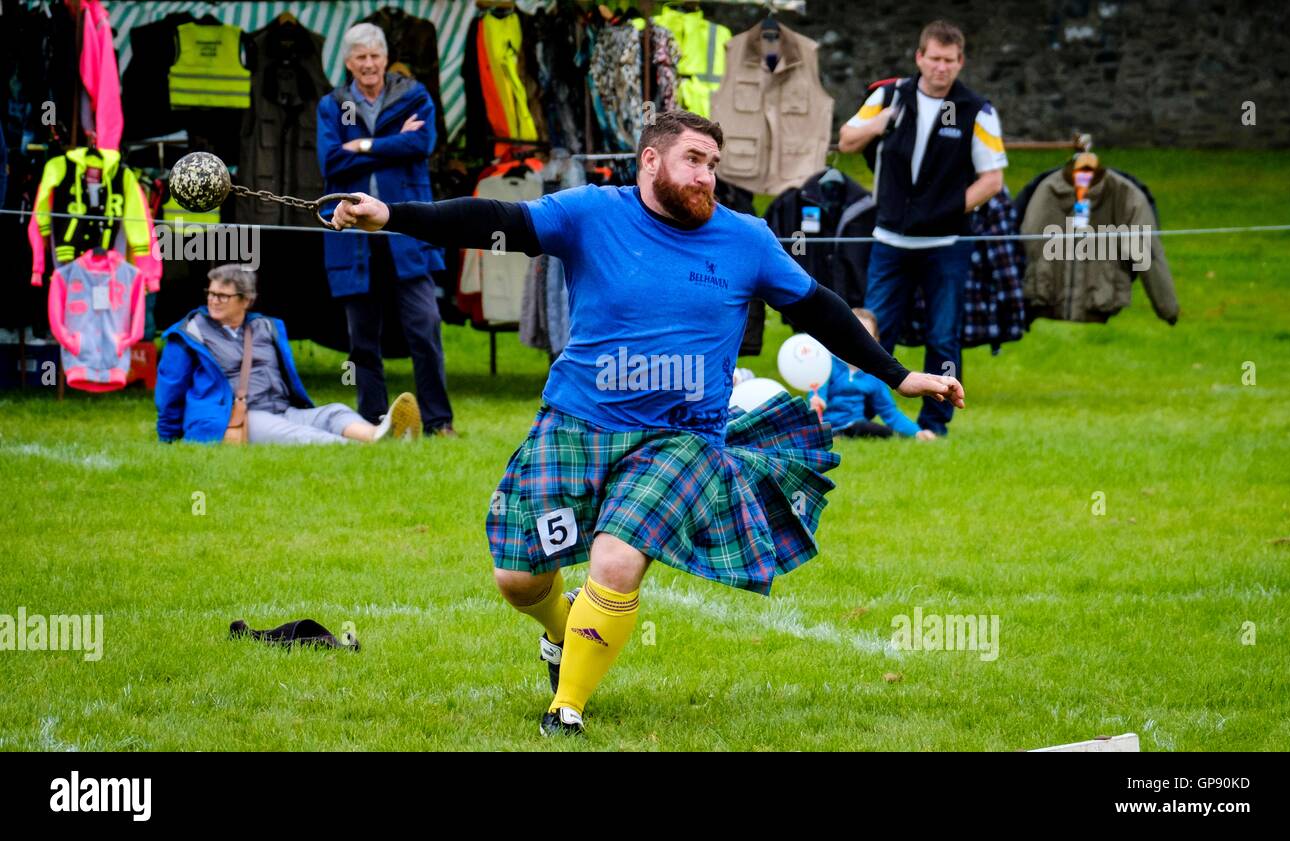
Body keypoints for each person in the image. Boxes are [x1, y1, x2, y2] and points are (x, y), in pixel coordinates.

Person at [330, 110, 965, 736]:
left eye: (714, 165)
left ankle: (566, 710)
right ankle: (562, 630)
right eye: (694, 160)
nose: (707, 177)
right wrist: (392, 215)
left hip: (682, 436)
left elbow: (818, 308)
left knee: (616, 559)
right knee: (518, 576)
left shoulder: (746, 239)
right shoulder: (591, 213)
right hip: (578, 418)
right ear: (651, 161)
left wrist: (899, 375)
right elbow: (499, 219)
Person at [838, 20, 1007, 437]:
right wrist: (880, 124)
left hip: (946, 244)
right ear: (919, 58)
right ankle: (866, 419)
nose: (941, 68)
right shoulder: (889, 95)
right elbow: (846, 140)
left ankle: (936, 424)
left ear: (960, 62)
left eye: (950, 61)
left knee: (943, 336)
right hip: (890, 240)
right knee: (873, 331)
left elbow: (992, 179)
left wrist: (948, 211)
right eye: (934, 58)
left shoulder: (977, 110)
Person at [317, 23, 455, 437]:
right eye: (360, 57)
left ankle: (438, 421)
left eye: (375, 56)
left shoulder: (413, 95)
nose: (369, 64)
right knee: (361, 338)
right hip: (354, 236)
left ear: (385, 57)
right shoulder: (333, 104)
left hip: (405, 229)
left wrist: (360, 145)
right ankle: (373, 421)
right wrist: (389, 145)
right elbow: (330, 163)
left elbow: (421, 145)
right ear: (348, 63)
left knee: (425, 326)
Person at [156, 264, 421, 445]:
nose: (214, 300)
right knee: (299, 435)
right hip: (234, 416)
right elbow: (170, 389)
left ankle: (377, 435)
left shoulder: (265, 327)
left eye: (223, 296)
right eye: (211, 294)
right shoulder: (189, 334)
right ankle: (360, 451)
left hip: (281, 408)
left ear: (246, 300)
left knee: (333, 412)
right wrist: (167, 437)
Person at [811, 309, 939, 441]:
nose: (857, 340)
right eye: (852, 333)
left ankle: (841, 435)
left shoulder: (875, 375)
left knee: (872, 429)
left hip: (856, 426)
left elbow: (889, 412)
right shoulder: (827, 365)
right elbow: (817, 393)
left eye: (865, 336)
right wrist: (816, 403)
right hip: (823, 426)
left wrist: (917, 433)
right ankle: (832, 435)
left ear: (874, 342)